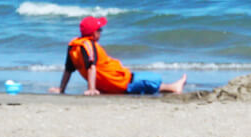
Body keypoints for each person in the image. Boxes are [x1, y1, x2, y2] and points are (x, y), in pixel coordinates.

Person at [53, 16, 187, 95]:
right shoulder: (89, 45)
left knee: (141, 85)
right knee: (154, 79)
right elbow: (91, 67)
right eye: (100, 30)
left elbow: (68, 70)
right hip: (119, 82)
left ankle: (172, 87)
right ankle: (174, 87)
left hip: (107, 85)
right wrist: (91, 89)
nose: (101, 32)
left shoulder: (73, 47)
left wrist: (61, 89)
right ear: (94, 33)